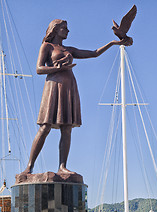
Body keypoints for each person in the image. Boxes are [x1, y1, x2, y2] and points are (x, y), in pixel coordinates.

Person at [22, 19, 131, 174]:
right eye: (64, 28)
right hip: (53, 87)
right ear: (55, 30)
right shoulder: (47, 46)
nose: (68, 31)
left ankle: (62, 167)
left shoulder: (69, 49)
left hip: (69, 88)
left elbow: (94, 53)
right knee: (45, 127)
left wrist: (113, 43)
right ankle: (29, 167)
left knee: (67, 128)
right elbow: (39, 69)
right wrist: (56, 68)